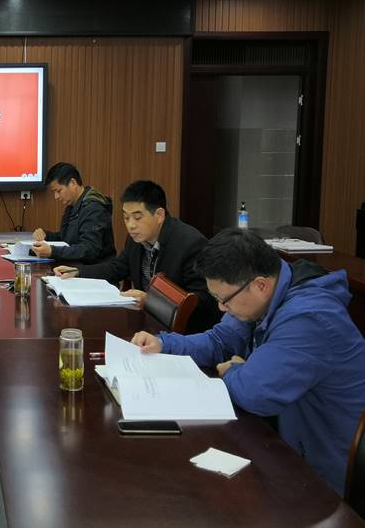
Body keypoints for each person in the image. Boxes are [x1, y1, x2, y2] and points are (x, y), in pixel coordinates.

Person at [131, 229, 365, 495]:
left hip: (324, 468)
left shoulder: (310, 317)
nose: (221, 309)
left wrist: (234, 369)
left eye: (224, 300)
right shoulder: (263, 293)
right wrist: (165, 344)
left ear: (260, 285)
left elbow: (256, 392)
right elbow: (220, 340)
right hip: (283, 437)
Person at [54, 180, 219, 333]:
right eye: (126, 217)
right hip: (147, 324)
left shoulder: (190, 244)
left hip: (182, 334)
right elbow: (117, 267)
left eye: (137, 217)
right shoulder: (136, 239)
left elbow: (205, 301)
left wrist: (152, 301)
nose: (131, 225)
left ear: (159, 215)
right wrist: (79, 271)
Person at [31, 162, 115, 264]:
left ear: (73, 183)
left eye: (58, 191)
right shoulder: (73, 206)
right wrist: (46, 236)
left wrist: (53, 251)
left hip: (93, 270)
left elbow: (89, 249)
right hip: (77, 267)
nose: (56, 197)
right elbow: (67, 239)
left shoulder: (94, 208)